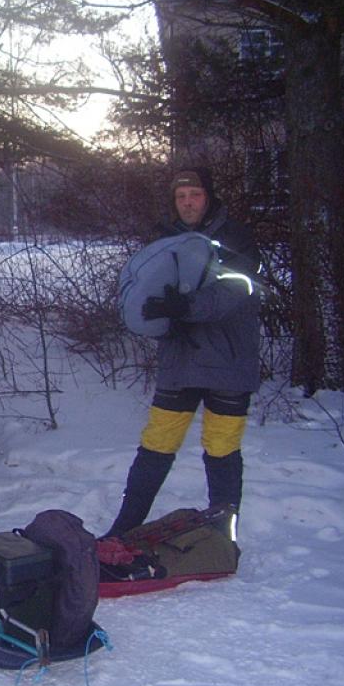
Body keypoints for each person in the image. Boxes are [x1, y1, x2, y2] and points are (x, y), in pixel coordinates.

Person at [105, 168, 262, 539]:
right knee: (156, 445)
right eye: (181, 196)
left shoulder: (235, 236)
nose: (188, 202)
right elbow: (149, 290)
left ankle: (223, 537)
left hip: (228, 359)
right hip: (181, 361)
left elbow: (237, 290)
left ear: (208, 196)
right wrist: (152, 312)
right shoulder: (167, 240)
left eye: (194, 194)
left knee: (221, 449)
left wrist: (183, 307)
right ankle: (125, 527)